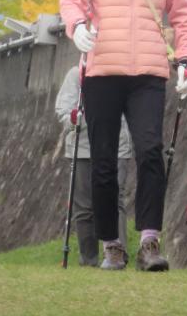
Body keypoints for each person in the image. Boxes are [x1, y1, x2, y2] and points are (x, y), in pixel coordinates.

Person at [60, 0, 187, 272]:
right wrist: (77, 26)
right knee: (103, 159)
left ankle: (150, 241)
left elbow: (183, 14)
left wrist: (184, 59)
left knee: (151, 151)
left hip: (150, 70)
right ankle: (111, 244)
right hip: (102, 67)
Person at [55, 64, 132, 267]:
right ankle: (88, 259)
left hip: (117, 145)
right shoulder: (76, 74)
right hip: (82, 147)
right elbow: (63, 109)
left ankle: (118, 254)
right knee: (84, 206)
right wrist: (73, 118)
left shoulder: (122, 71)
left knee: (115, 200)